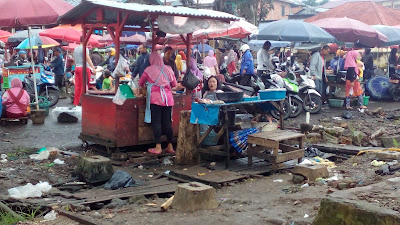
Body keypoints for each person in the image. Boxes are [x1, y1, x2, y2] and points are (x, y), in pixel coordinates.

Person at [139, 52, 177, 155]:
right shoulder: (168, 68)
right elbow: (174, 84)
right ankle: (170, 146)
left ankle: (158, 147)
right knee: (167, 122)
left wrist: (146, 87)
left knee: (156, 122)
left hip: (155, 99)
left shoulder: (149, 69)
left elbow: (141, 82)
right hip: (168, 99)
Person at [73, 40, 95, 106]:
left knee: (77, 86)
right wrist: (93, 68)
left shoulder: (76, 49)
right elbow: (87, 59)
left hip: (77, 68)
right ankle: (82, 102)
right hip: (84, 68)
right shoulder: (85, 48)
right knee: (85, 86)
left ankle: (76, 103)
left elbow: (74, 60)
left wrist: (75, 67)